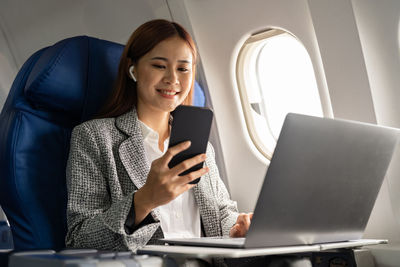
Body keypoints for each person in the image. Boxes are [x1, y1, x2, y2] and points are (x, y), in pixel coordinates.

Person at [65, 19, 252, 252]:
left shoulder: (200, 144)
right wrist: (144, 200)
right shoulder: (94, 137)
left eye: (183, 68)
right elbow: (80, 238)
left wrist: (238, 227)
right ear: (133, 70)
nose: (173, 79)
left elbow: (220, 213)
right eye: (159, 66)